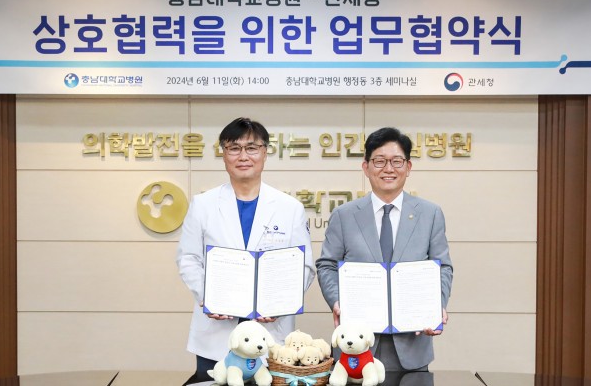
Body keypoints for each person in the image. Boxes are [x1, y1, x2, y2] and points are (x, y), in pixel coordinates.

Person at [176, 117, 316, 384]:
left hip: (271, 330)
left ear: (264, 152)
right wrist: (207, 297)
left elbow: (304, 267)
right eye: (234, 148)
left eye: (251, 148)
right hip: (216, 330)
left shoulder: (289, 208)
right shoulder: (203, 205)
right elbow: (189, 259)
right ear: (223, 154)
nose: (243, 156)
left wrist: (281, 303)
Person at [316, 127, 453, 372]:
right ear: (366, 167)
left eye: (396, 161)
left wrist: (435, 306)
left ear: (408, 167)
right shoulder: (344, 215)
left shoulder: (430, 214)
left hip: (413, 345)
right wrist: (337, 302)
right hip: (356, 345)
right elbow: (327, 265)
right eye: (379, 161)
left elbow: (442, 267)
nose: (388, 169)